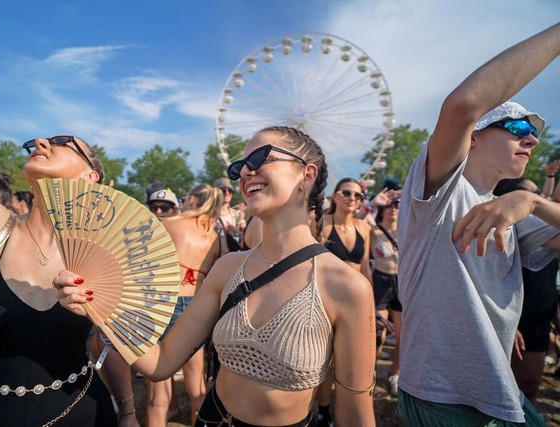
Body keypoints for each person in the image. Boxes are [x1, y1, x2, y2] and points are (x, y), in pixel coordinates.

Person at [55, 125, 376, 426]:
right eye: (239, 168)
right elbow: (162, 363)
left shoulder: (347, 287)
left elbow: (354, 408)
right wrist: (100, 303)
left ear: (307, 175)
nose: (245, 172)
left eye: (260, 157)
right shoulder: (227, 268)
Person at [0, 64, 132, 426]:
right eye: (36, 143)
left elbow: (114, 343)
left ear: (90, 177)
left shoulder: (105, 251)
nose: (41, 142)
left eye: (62, 142)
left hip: (83, 414)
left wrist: (127, 412)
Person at [397, 22, 560, 425]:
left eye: (534, 132)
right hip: (444, 394)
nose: (532, 140)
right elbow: (462, 106)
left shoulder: (508, 210)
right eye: (518, 128)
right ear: (473, 137)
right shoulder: (438, 192)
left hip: (495, 389)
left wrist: (531, 200)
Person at [146, 183, 223, 426]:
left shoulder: (170, 225)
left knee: (158, 392)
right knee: (197, 386)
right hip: (196, 307)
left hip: (163, 302)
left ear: (190, 200)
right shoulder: (214, 237)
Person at [493, 177, 559, 408]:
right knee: (506, 393)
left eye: (538, 193)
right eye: (528, 195)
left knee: (530, 389)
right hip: (515, 320)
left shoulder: (541, 218)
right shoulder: (517, 224)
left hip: (539, 318)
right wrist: (509, 324)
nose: (537, 198)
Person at [315, 177, 373, 426]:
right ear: (335, 196)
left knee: (354, 364)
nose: (352, 198)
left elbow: (367, 268)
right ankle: (324, 412)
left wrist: (373, 306)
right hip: (329, 301)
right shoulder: (323, 225)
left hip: (357, 306)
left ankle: (347, 415)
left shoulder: (364, 228)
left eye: (358, 195)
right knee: (325, 364)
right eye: (347, 193)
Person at [369, 192, 402, 396]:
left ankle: (395, 375)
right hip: (380, 281)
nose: (395, 208)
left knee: (403, 334)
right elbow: (356, 219)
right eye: (390, 205)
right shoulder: (374, 229)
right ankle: (370, 372)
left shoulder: (407, 228)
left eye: (398, 204)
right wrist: (373, 204)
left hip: (402, 281)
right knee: (378, 334)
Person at [214, 177, 245, 252]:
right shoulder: (210, 216)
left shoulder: (238, 215)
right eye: (223, 190)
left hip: (234, 257)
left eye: (230, 190)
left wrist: (236, 233)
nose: (227, 193)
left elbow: (247, 238)